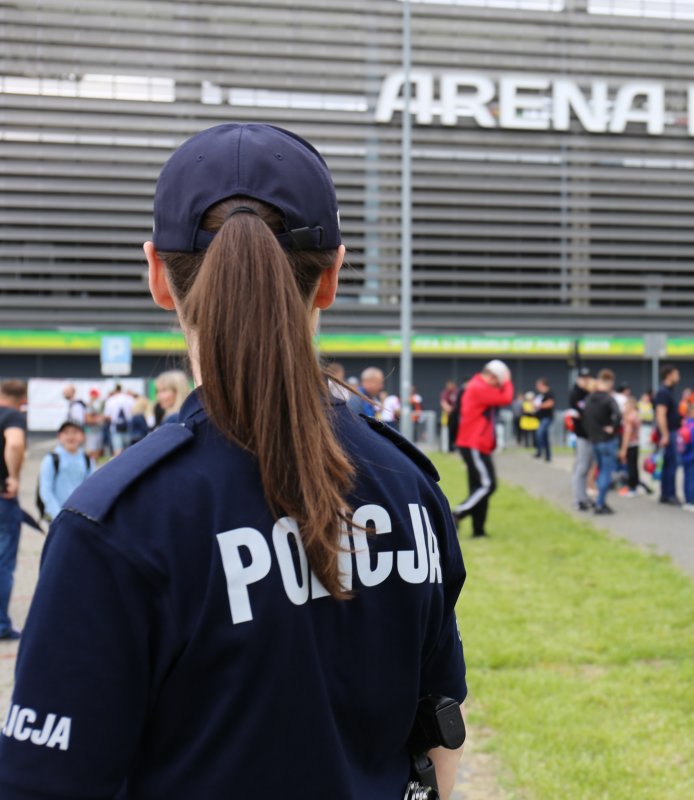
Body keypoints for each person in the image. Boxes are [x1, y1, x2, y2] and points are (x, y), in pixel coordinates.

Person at [0, 123, 468, 799]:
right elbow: (437, 733)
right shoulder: (409, 488)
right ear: (332, 273)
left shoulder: (119, 526)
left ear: (158, 274)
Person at [454, 359, 515, 538]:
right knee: (488, 485)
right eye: (499, 382)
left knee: (478, 488)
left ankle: (478, 530)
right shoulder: (479, 387)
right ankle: (456, 514)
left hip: (476, 444)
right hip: (474, 444)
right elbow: (506, 398)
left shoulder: (477, 386)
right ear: (492, 376)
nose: (499, 386)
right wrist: (508, 381)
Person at [0, 379, 27, 641]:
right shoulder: (12, 416)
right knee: (3, 562)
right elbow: (15, 443)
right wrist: (14, 476)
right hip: (2, 499)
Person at [582, 369, 622, 515]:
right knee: (606, 471)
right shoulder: (608, 399)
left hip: (594, 440)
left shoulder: (589, 399)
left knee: (599, 470)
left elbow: (584, 418)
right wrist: (613, 427)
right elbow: (618, 415)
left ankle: (600, 500)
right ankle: (600, 503)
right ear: (610, 382)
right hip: (607, 441)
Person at [37, 421, 93, 522]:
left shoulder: (87, 459)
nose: (70, 436)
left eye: (75, 432)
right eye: (66, 432)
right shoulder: (52, 459)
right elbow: (45, 490)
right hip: (56, 516)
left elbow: (92, 489)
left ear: (82, 436)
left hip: (80, 516)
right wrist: (58, 515)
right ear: (59, 436)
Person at [654, 365, 683, 506]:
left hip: (671, 431)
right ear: (669, 375)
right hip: (669, 432)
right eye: (676, 374)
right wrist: (665, 434)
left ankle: (666, 493)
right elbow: (661, 415)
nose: (678, 377)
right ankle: (669, 493)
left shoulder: (669, 391)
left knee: (668, 464)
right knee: (671, 464)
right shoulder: (663, 392)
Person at [568, 369, 594, 512]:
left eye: (587, 378)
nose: (586, 381)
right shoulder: (576, 394)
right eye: (583, 378)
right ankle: (578, 499)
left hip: (589, 434)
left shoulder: (588, 393)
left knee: (587, 467)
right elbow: (582, 412)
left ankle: (583, 496)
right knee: (581, 467)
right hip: (581, 434)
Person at [103, 384, 136, 456]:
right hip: (128, 427)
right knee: (128, 451)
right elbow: (134, 412)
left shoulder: (111, 400)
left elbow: (107, 416)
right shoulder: (129, 399)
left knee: (117, 451)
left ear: (115, 390)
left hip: (115, 428)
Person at [533, 378, 555, 462]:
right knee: (544, 437)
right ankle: (546, 455)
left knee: (540, 433)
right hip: (541, 418)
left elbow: (550, 403)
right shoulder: (541, 395)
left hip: (547, 418)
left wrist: (539, 405)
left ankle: (540, 451)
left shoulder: (549, 394)